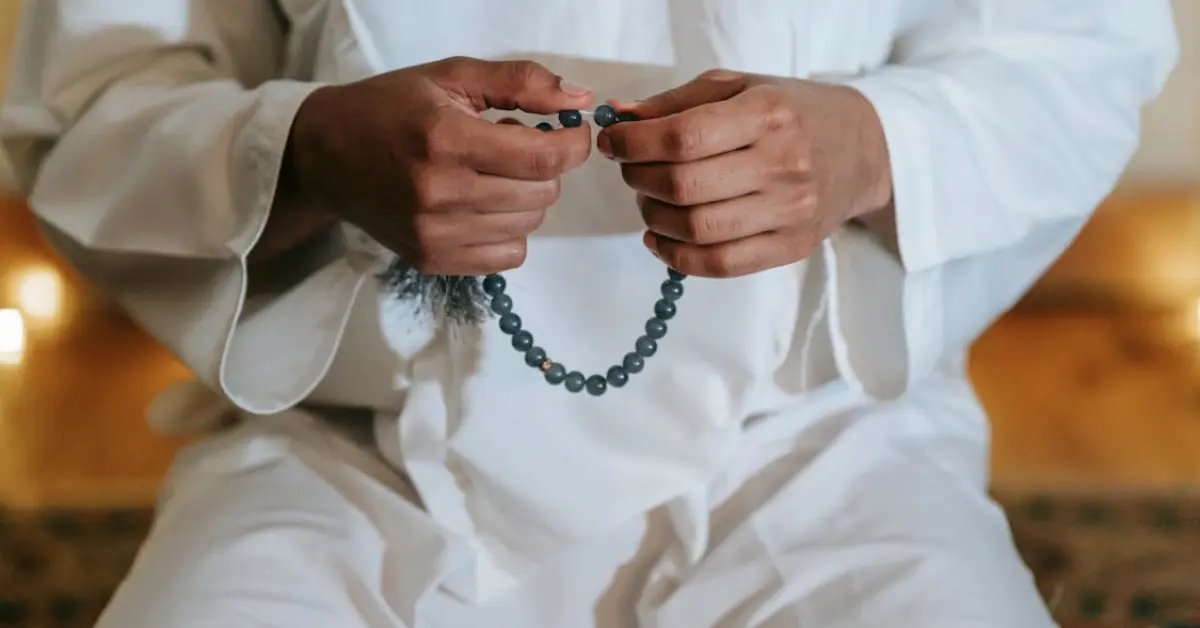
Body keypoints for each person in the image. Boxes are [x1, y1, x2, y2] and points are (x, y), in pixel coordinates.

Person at [0, 1, 1178, 626]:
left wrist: (873, 145)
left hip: (815, 447)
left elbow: (1073, 45)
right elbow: (95, 93)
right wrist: (302, 151)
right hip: (348, 454)